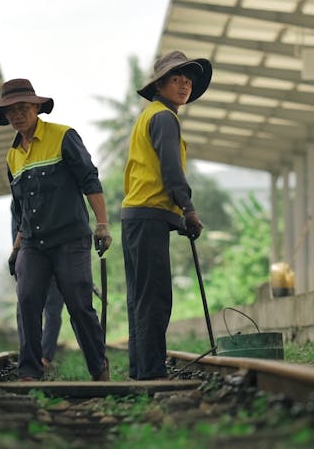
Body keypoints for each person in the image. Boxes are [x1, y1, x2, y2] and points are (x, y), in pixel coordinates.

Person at [0, 78, 112, 382]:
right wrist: (17, 247)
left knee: (78, 302)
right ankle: (31, 371)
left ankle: (99, 368)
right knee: (28, 299)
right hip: (33, 243)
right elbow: (21, 209)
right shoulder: (13, 155)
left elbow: (89, 179)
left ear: (36, 107)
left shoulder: (63, 136)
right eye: (11, 111)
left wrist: (102, 224)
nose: (17, 115)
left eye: (23, 108)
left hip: (70, 239)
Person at [121, 51, 212, 380]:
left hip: (136, 216)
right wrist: (188, 210)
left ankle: (140, 370)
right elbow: (171, 169)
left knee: (140, 298)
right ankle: (151, 372)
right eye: (177, 78)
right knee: (155, 298)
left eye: (188, 80)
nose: (185, 84)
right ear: (159, 84)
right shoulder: (163, 118)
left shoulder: (150, 116)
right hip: (149, 215)